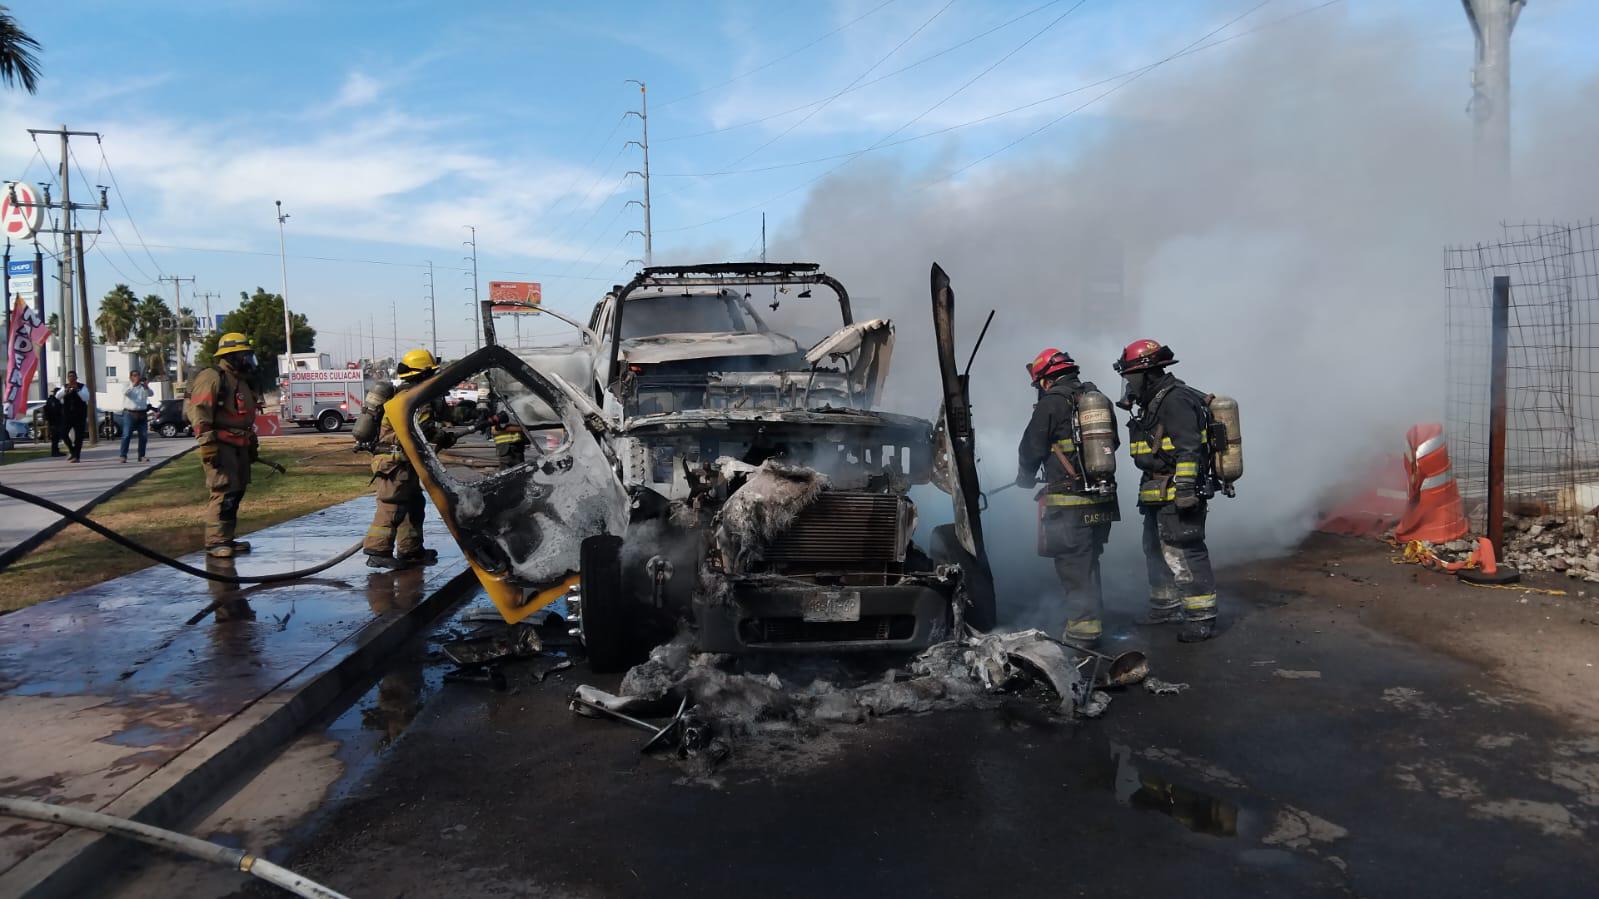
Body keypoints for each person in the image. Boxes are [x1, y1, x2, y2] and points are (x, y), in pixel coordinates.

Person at [1115, 339, 1219, 643]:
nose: (1128, 384)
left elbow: (1190, 448)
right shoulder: (1154, 402)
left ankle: (1201, 618)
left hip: (1177, 490)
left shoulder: (1175, 400)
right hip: (1156, 489)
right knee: (1156, 549)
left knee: (1184, 552)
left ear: (1148, 373)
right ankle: (1166, 605)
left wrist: (1186, 488)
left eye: (1131, 376)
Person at [1015, 348, 1119, 649]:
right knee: (1088, 561)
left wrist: (1025, 476)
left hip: (1069, 502)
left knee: (1074, 566)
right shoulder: (1096, 398)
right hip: (1102, 500)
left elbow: (1031, 446)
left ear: (1046, 379)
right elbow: (1114, 442)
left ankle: (1083, 633)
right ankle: (1091, 620)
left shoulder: (1052, 402)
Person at [357, 348, 455, 569]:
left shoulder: (406, 395)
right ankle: (377, 550)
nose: (433, 378)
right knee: (391, 504)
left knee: (413, 503)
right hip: (394, 461)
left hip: (401, 460)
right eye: (431, 372)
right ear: (422, 374)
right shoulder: (412, 399)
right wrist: (443, 436)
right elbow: (423, 428)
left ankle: (410, 549)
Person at [185, 333, 260, 558]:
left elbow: (244, 415)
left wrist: (251, 443)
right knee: (223, 491)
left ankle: (226, 538)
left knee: (236, 492)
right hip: (221, 445)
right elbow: (199, 412)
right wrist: (208, 445)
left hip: (239, 445)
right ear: (231, 356)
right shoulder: (213, 377)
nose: (247, 359)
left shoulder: (239, 379)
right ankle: (215, 542)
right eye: (243, 355)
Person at [119, 369, 154, 463]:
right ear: (130, 377)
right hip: (129, 413)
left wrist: (146, 385)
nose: (137, 377)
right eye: (134, 375)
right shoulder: (127, 385)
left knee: (143, 436)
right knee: (126, 435)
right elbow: (126, 393)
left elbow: (151, 394)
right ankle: (123, 456)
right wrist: (134, 384)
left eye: (138, 375)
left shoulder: (143, 387)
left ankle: (141, 456)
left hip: (142, 413)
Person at [57, 372, 89, 462]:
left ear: (76, 377)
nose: (71, 378)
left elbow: (86, 398)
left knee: (79, 436)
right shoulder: (65, 386)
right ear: (67, 378)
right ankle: (72, 451)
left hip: (80, 415)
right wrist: (66, 390)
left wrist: (77, 390)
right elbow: (57, 396)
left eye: (73, 376)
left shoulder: (82, 386)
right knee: (63, 433)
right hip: (67, 415)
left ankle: (76, 456)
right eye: (70, 376)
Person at [43, 392, 63, 456]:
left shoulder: (51, 400)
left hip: (53, 422)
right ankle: (55, 452)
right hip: (54, 422)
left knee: (56, 438)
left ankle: (56, 451)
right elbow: (56, 411)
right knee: (55, 437)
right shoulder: (53, 401)